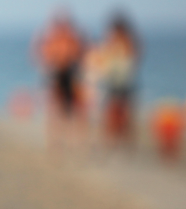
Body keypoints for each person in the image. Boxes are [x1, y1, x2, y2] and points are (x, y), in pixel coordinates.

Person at [34, 10, 87, 154]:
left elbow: (82, 54)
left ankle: (74, 142)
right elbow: (40, 55)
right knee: (56, 109)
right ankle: (56, 143)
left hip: (70, 73)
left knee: (75, 110)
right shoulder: (53, 38)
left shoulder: (72, 38)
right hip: (57, 74)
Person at [95, 12, 140, 148]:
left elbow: (131, 58)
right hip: (115, 80)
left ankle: (119, 140)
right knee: (114, 110)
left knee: (120, 111)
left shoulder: (126, 41)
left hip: (122, 80)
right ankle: (114, 140)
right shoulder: (117, 41)